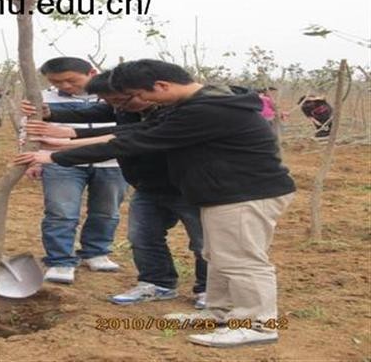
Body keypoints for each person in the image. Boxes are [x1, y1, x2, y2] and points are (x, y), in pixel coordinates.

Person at [15, 59, 296, 348]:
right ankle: (220, 312)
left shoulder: (208, 109)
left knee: (241, 260)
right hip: (222, 193)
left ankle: (258, 325)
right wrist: (68, 139)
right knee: (217, 256)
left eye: (137, 96)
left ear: (161, 86)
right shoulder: (190, 104)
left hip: (245, 193)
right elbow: (136, 130)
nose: (141, 104)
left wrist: (56, 156)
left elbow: (138, 141)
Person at [21, 71, 207, 309]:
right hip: (148, 185)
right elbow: (100, 117)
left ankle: (209, 288)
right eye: (111, 102)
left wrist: (63, 147)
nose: (116, 107)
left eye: (119, 100)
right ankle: (156, 282)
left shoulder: (177, 112)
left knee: (203, 242)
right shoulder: (126, 107)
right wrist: (53, 116)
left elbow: (129, 138)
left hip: (188, 187)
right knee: (143, 237)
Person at [25, 57, 127, 284]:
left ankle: (96, 252)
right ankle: (60, 260)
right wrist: (34, 160)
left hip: (112, 162)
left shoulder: (115, 96)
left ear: (92, 73)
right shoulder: (42, 99)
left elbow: (127, 129)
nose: (65, 86)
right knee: (61, 212)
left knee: (107, 211)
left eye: (71, 80)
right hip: (60, 162)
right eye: (56, 82)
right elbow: (29, 129)